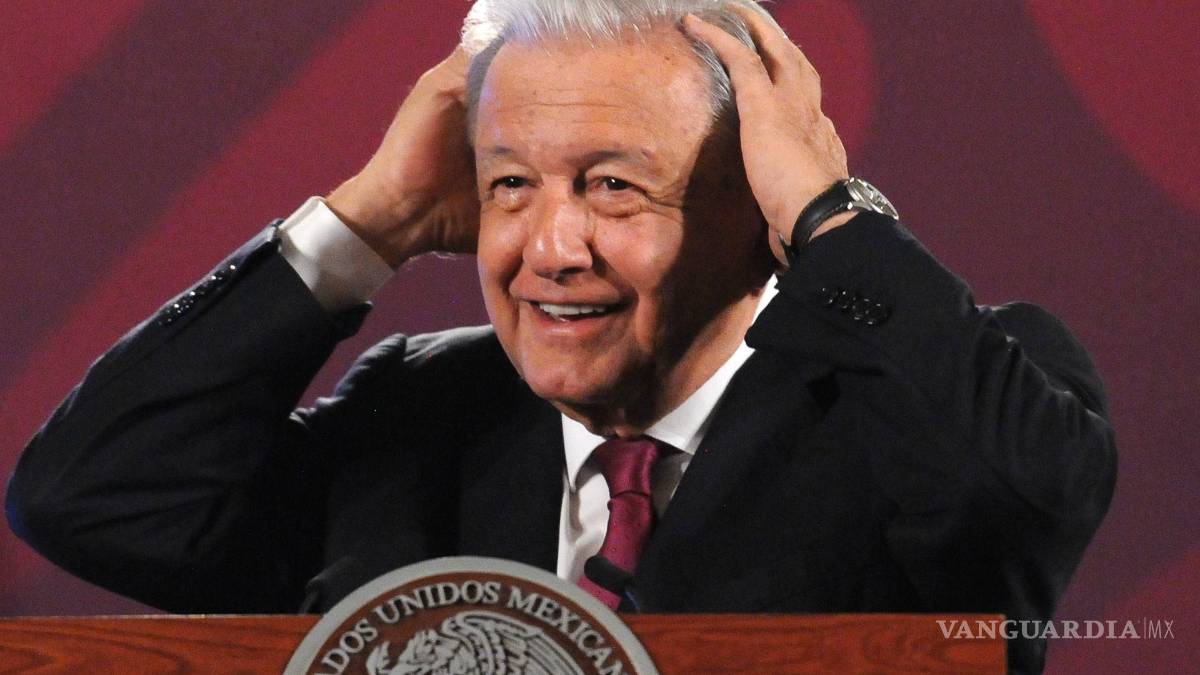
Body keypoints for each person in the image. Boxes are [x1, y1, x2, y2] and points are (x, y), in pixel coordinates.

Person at [5, 1, 1114, 672]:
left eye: (612, 186)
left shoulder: (920, 402)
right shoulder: (419, 411)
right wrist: (370, 221)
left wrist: (829, 217)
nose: (550, 247)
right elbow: (92, 497)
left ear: (752, 204)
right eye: (511, 185)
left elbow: (1013, 495)